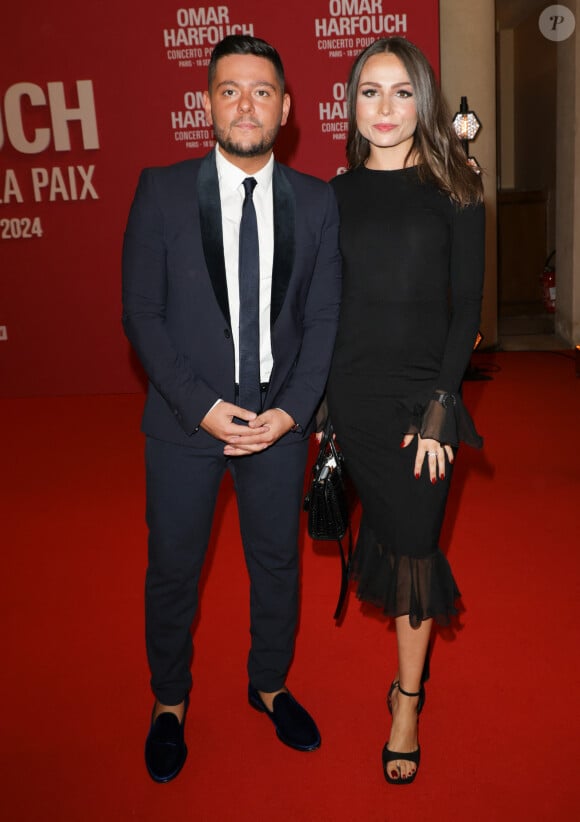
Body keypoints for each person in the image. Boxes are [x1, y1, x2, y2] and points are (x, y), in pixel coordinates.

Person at [122, 34, 341, 783]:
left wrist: (293, 413)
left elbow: (323, 320)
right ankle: (170, 702)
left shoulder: (316, 203)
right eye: (229, 89)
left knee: (277, 563)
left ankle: (270, 684)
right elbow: (142, 314)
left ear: (285, 107)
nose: (245, 104)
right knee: (174, 569)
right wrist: (202, 406)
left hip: (279, 425)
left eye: (261, 91)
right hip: (185, 425)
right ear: (206, 101)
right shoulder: (159, 189)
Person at [326, 37, 485, 785]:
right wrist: (322, 405)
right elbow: (324, 310)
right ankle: (407, 688)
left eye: (400, 91)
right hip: (354, 398)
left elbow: (467, 314)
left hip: (425, 401)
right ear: (351, 105)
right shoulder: (332, 193)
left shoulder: (458, 187)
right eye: (369, 92)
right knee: (391, 538)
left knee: (417, 548)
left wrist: (442, 407)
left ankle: (408, 703)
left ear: (422, 99)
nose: (384, 108)